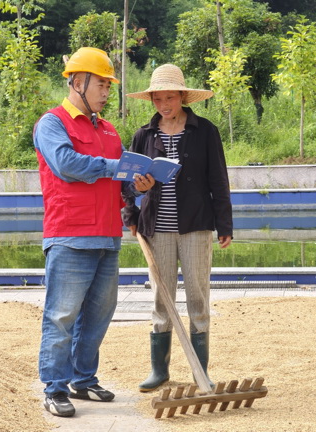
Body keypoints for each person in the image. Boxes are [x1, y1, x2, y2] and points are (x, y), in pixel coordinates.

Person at [33, 47, 132, 417]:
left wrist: (138, 182)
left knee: (98, 316)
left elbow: (119, 180)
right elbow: (66, 164)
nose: (107, 92)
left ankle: (83, 380)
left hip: (108, 236)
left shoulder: (108, 129)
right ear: (78, 81)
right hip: (70, 235)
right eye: (102, 84)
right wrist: (115, 167)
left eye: (109, 85)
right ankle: (55, 387)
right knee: (62, 316)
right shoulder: (52, 123)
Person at [123, 63, 233, 392]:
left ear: (183, 97)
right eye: (157, 99)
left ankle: (202, 372)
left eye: (169, 98)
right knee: (162, 298)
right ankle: (160, 370)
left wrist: (223, 222)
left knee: (198, 297)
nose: (164, 105)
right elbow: (128, 184)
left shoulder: (205, 131)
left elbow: (218, 180)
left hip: (197, 225)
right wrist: (132, 207)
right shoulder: (144, 134)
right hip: (157, 228)